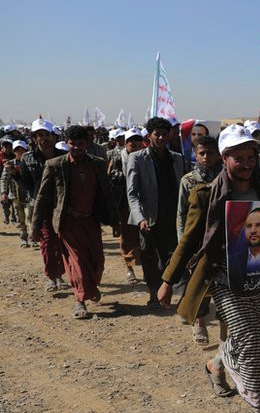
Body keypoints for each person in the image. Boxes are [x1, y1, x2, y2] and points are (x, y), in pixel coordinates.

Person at [158, 125, 260, 413]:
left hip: (259, 273)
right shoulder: (205, 194)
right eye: (239, 158)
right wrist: (168, 279)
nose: (247, 163)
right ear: (224, 158)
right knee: (249, 339)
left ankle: (215, 364)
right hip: (223, 277)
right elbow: (190, 239)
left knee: (258, 335)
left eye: (251, 157)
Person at [31, 125, 118, 319]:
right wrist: (35, 226)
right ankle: (79, 302)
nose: (77, 148)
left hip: (91, 221)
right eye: (73, 144)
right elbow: (42, 197)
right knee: (76, 262)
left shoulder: (97, 163)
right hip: (67, 222)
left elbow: (107, 194)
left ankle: (89, 287)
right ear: (67, 144)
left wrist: (115, 221)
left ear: (87, 143)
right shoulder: (55, 165)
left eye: (80, 144)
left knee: (97, 261)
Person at [127, 117, 186, 306]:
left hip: (173, 216)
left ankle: (174, 293)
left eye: (164, 134)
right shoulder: (137, 158)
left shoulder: (177, 159)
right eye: (157, 134)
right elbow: (132, 193)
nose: (161, 138)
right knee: (150, 257)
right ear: (149, 136)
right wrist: (140, 218)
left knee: (174, 256)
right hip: (149, 218)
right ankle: (154, 293)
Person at [177, 134, 223, 345]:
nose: (206, 157)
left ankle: (226, 328)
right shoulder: (188, 181)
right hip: (198, 241)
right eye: (201, 153)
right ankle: (200, 323)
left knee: (223, 286)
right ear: (195, 155)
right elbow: (182, 214)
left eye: (210, 153)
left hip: (223, 239)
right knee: (199, 283)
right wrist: (183, 245)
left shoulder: (226, 176)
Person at [22, 119, 67, 290]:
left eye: (47, 134)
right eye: (40, 135)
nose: (44, 138)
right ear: (34, 138)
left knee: (61, 242)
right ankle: (51, 276)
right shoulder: (27, 159)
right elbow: (26, 184)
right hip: (40, 208)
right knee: (47, 243)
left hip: (61, 206)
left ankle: (61, 275)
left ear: (53, 137)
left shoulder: (62, 156)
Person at [107, 129, 144, 284]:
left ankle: (146, 269)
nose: (134, 144)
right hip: (123, 204)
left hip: (142, 203)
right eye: (131, 141)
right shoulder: (115, 157)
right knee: (127, 237)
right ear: (125, 143)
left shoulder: (145, 158)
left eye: (137, 141)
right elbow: (109, 179)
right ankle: (129, 270)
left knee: (143, 237)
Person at [1, 140, 31, 247]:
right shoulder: (9, 164)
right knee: (20, 219)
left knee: (30, 217)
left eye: (21, 150)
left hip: (29, 196)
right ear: (14, 152)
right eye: (17, 150)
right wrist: (3, 192)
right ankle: (24, 239)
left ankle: (32, 238)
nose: (20, 152)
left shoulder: (30, 163)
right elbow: (4, 180)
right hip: (15, 196)